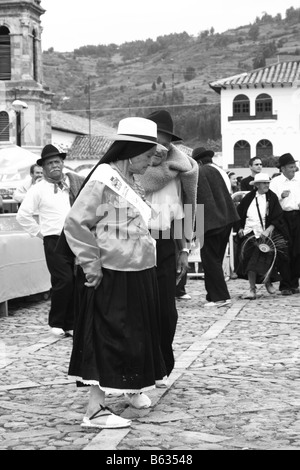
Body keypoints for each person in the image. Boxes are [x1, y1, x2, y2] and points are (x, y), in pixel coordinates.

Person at [63, 117, 167, 429]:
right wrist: (91, 265)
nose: (151, 163)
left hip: (139, 269)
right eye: (148, 156)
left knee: (137, 335)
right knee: (109, 336)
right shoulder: (103, 180)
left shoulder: (132, 182)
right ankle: (95, 410)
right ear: (131, 151)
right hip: (113, 270)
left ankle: (132, 386)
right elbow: (76, 223)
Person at [138, 109, 198, 377]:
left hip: (164, 239)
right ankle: (143, 364)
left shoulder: (181, 170)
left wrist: (184, 248)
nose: (159, 147)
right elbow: (114, 210)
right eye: (154, 140)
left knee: (166, 310)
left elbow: (186, 208)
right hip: (135, 239)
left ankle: (163, 362)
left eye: (163, 140)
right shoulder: (133, 170)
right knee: (140, 307)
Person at [16, 144, 85, 336]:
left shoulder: (73, 183)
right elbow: (22, 215)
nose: (54, 165)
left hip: (75, 237)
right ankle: (56, 322)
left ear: (62, 163)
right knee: (63, 280)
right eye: (49, 163)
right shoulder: (38, 189)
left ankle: (70, 323)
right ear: (44, 167)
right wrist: (41, 233)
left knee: (77, 279)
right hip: (54, 239)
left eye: (57, 161)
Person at [193, 146, 239, 307]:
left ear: (198, 161)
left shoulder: (201, 172)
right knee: (216, 259)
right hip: (227, 219)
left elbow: (198, 199)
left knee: (210, 260)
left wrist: (192, 227)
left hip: (211, 222)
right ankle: (212, 295)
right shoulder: (220, 171)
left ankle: (220, 297)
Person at [234, 173, 289, 299]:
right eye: (264, 183)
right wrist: (240, 228)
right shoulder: (248, 197)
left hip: (264, 235)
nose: (266, 185)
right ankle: (252, 289)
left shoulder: (272, 197)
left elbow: (277, 216)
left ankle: (267, 281)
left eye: (267, 183)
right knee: (250, 263)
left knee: (263, 261)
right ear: (257, 185)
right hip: (249, 234)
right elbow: (239, 214)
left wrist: (269, 229)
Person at [269, 153, 300, 295]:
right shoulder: (276, 182)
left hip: (298, 215)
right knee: (285, 250)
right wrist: (281, 197)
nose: (294, 169)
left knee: (297, 250)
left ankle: (294, 283)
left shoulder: (298, 180)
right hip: (283, 217)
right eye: (290, 167)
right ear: (283, 168)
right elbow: (272, 203)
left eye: (294, 166)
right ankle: (285, 284)